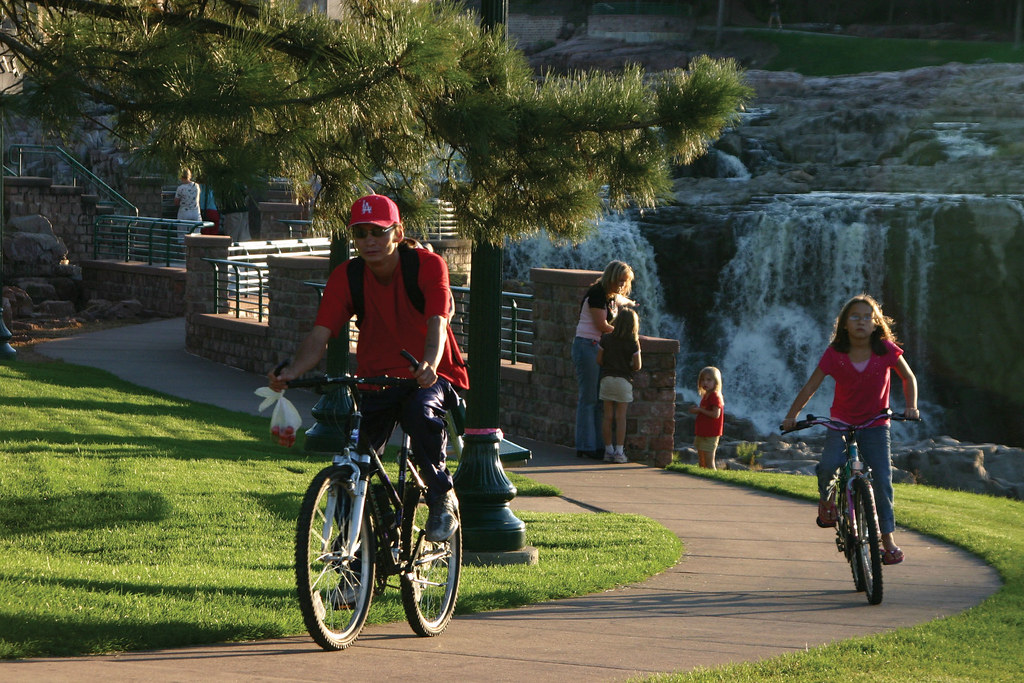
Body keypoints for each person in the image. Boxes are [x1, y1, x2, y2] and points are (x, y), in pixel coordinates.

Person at [269, 194, 468, 542]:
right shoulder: (348, 276)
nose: (369, 241)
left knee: (421, 414)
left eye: (378, 231)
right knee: (354, 463)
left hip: (430, 375)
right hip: (377, 379)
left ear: (398, 232)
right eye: (360, 234)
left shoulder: (427, 265)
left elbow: (438, 321)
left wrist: (430, 363)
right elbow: (320, 336)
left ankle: (442, 497)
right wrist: (291, 371)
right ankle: (360, 557)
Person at [782, 294, 919, 566]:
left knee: (882, 478)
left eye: (868, 317)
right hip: (841, 422)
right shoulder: (835, 353)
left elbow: (908, 377)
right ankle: (827, 501)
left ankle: (887, 539)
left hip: (876, 424)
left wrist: (911, 406)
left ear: (876, 323)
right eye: (854, 316)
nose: (861, 321)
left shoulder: (886, 349)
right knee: (829, 464)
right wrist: (792, 416)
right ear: (844, 324)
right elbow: (811, 386)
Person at [572, 260, 635, 460]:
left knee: (600, 400)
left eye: (624, 282)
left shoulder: (610, 296)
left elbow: (623, 302)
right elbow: (601, 325)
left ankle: (601, 446)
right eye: (619, 280)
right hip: (587, 346)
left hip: (599, 348)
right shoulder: (597, 294)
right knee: (589, 398)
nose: (621, 285)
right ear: (611, 277)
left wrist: (630, 304)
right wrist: (626, 334)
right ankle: (586, 445)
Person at [597, 307, 642, 464]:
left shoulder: (606, 338)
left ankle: (608, 451)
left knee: (608, 417)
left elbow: (599, 360)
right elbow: (637, 366)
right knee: (620, 417)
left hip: (607, 379)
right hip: (623, 381)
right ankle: (619, 452)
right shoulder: (633, 342)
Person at [689, 366, 724, 469]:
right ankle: (702, 478)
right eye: (703, 380)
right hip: (702, 432)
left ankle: (712, 479)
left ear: (716, 382)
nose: (705, 383)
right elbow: (705, 412)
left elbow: (715, 414)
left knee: (709, 461)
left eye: (709, 380)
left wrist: (699, 410)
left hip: (710, 433)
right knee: (702, 460)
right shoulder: (706, 395)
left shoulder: (715, 396)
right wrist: (696, 410)